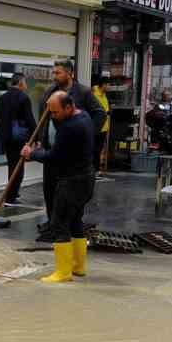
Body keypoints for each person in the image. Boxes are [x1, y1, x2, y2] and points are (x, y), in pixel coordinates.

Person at [22, 91, 96, 284]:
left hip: (71, 181)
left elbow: (54, 158)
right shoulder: (84, 117)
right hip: (86, 178)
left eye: (55, 112)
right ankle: (78, 267)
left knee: (59, 223)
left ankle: (63, 273)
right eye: (50, 111)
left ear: (68, 107)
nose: (52, 116)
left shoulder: (70, 128)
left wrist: (32, 153)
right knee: (75, 222)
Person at [37, 61, 102, 241]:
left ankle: (62, 230)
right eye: (54, 73)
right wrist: (39, 139)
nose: (54, 76)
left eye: (58, 73)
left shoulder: (83, 92)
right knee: (50, 191)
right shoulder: (50, 92)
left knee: (67, 198)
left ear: (70, 73)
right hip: (52, 149)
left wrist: (86, 136)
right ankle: (52, 226)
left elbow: (100, 113)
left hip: (71, 157)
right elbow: (43, 117)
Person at [0, 73, 36, 207]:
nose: (26, 85)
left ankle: (12, 193)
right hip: (19, 138)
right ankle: (11, 197)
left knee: (12, 165)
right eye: (25, 82)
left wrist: (2, 134)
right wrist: (36, 137)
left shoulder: (2, 98)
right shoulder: (23, 98)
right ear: (20, 83)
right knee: (18, 168)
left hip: (6, 137)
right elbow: (30, 119)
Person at [91, 74, 112, 176]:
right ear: (103, 85)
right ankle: (94, 169)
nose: (109, 87)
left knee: (99, 149)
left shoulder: (104, 95)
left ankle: (97, 169)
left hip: (104, 126)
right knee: (95, 148)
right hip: (96, 127)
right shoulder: (94, 94)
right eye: (108, 85)